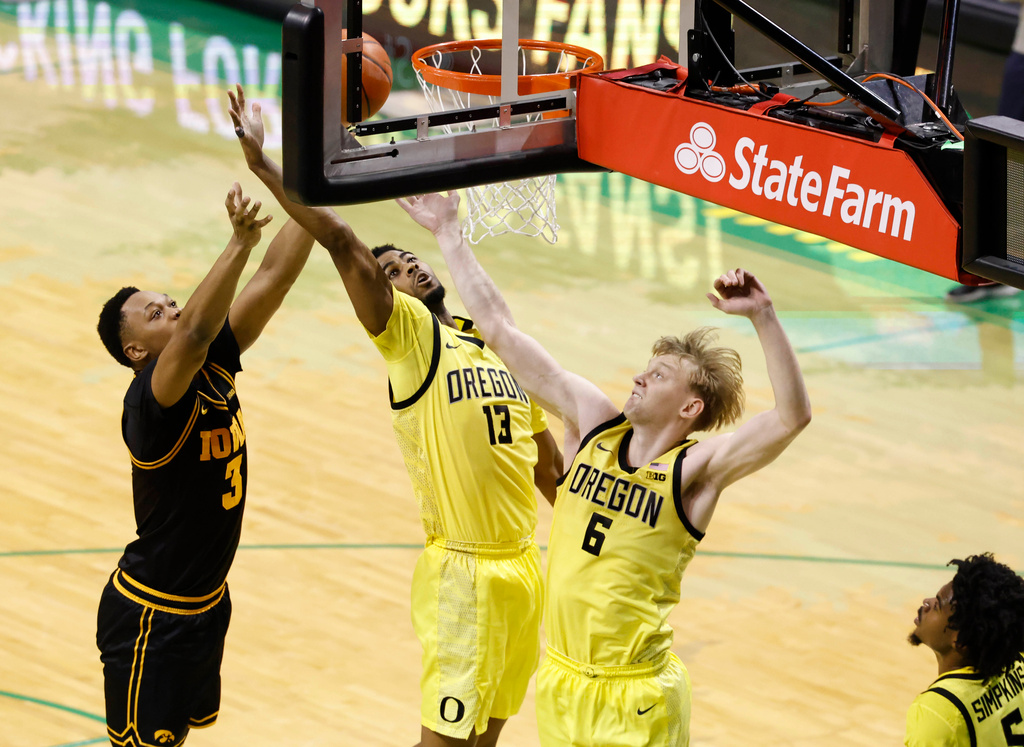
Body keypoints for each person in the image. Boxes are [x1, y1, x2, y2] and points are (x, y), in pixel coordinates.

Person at [396, 192, 811, 746]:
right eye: (646, 369)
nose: (640, 379)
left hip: (636, 693)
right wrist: (449, 232)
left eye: (659, 376)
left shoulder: (695, 470)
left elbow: (790, 417)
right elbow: (498, 330)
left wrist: (763, 316)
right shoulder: (593, 422)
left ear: (691, 408)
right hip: (563, 681)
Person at [227, 85, 562, 747]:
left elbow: (549, 465)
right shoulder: (407, 336)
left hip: (524, 570)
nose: (408, 263)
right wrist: (269, 165)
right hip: (464, 573)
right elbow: (345, 243)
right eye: (395, 269)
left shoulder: (491, 346)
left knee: (484, 737)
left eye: (410, 258)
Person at [95, 184, 314, 747]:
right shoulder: (149, 400)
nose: (172, 310)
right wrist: (239, 240)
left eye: (170, 301)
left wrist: (318, 189)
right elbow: (193, 332)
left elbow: (276, 276)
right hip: (151, 615)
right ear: (135, 351)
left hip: (209, 602)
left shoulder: (214, 362)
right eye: (155, 313)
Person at [905, 553, 1024, 746]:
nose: (926, 602)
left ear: (960, 640)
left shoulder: (937, 712)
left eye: (937, 605)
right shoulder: (1017, 660)